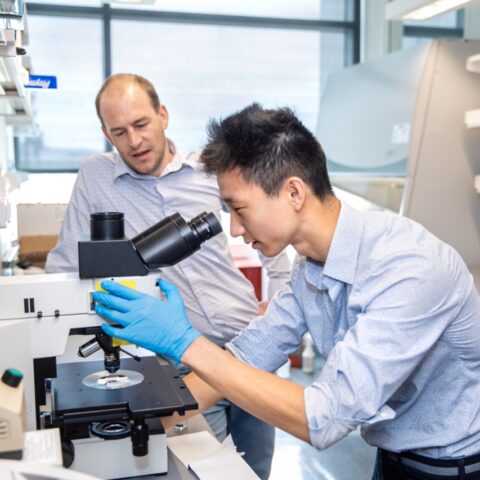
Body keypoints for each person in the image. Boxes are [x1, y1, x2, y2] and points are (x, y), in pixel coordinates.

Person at [93, 103, 480, 480]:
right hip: (391, 457)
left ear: (294, 193)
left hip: (455, 466)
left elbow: (325, 419)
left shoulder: (409, 268)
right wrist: (133, 427)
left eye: (239, 209)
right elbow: (246, 357)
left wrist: (185, 343)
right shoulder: (309, 266)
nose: (235, 231)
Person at [45, 76, 292, 479]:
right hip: (181, 364)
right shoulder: (96, 177)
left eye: (142, 125)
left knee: (254, 470)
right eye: (120, 133)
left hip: (249, 348)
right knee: (207, 473)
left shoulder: (211, 171)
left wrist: (279, 302)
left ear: (163, 115)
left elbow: (272, 233)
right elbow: (65, 263)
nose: (134, 141)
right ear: (106, 134)